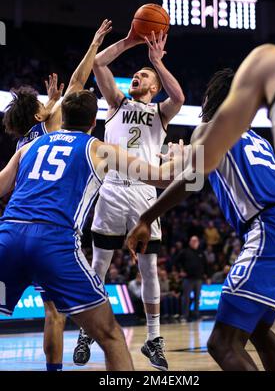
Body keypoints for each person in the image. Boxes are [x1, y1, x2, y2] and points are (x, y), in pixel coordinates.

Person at [125, 67, 275, 371]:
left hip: (270, 229)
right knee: (257, 328)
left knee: (221, 343)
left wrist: (146, 217)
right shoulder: (258, 139)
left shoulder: (211, 127)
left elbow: (191, 180)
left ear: (210, 98)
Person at [0, 84, 176, 371]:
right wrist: (181, 162)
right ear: (95, 123)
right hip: (53, 242)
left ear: (62, 116)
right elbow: (160, 179)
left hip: (8, 236)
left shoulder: (30, 145)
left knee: (51, 313)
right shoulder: (100, 149)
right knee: (110, 335)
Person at [2, 19, 113, 371]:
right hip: (50, 230)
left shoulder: (23, 143)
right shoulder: (52, 128)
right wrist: (93, 43)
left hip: (15, 227)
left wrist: (47, 103)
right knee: (55, 313)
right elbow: (79, 84)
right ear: (39, 113)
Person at [74, 26, 185, 371]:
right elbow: (99, 66)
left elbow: (179, 97)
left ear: (154, 88)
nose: (136, 76)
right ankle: (85, 332)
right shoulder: (116, 102)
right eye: (136, 74)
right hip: (111, 189)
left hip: (143, 193)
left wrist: (157, 63)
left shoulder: (162, 113)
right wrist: (130, 41)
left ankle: (153, 340)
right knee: (99, 267)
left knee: (148, 268)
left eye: (143, 76)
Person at [175, 235, 207, 322]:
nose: (194, 242)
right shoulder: (185, 252)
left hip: (199, 279)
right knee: (186, 298)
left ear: (198, 242)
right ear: (189, 242)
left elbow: (205, 265)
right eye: (193, 241)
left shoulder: (201, 252)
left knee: (197, 298)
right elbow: (176, 261)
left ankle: (196, 315)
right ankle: (185, 316)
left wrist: (206, 276)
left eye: (196, 241)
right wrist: (180, 271)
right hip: (188, 279)